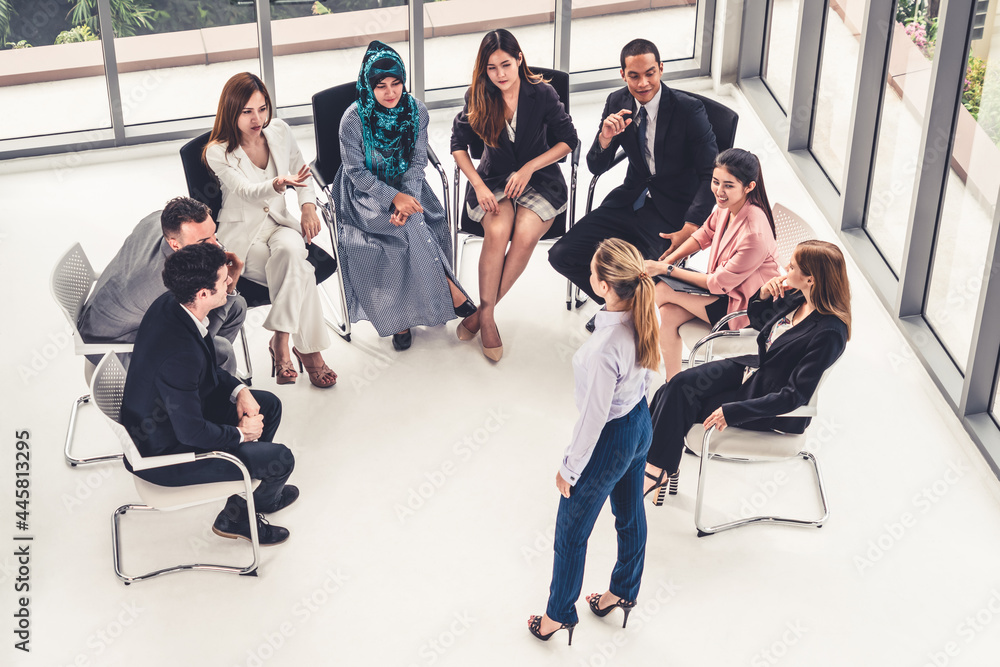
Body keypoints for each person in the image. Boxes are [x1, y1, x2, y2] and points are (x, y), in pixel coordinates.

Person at [642, 240, 851, 502]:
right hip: (752, 369)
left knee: (677, 398)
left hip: (769, 402)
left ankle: (653, 468)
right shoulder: (799, 297)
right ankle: (654, 464)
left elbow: (794, 396)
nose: (786, 267)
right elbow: (758, 322)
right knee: (674, 386)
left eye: (793, 266)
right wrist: (763, 293)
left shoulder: (830, 333)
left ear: (811, 279)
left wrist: (733, 412)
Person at [121, 243, 298, 545]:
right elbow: (191, 431)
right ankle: (237, 518)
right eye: (223, 279)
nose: (230, 281)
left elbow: (205, 370)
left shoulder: (172, 304)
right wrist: (240, 434)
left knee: (268, 405)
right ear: (203, 293)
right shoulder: (179, 355)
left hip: (175, 414)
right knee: (280, 459)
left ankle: (253, 495)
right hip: (169, 454)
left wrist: (240, 390)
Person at [528, 239, 658, 645]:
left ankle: (557, 616)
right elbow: (653, 372)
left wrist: (569, 467)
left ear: (603, 286)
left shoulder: (603, 348)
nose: (589, 275)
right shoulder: (645, 310)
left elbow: (593, 420)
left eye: (592, 272)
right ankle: (622, 592)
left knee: (571, 529)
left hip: (613, 437)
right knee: (630, 512)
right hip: (640, 421)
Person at [547, 38, 718, 319]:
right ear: (623, 74)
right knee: (561, 254)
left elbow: (710, 173)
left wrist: (691, 227)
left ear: (661, 69)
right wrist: (605, 138)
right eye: (634, 76)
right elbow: (595, 166)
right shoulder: (617, 101)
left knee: (643, 275)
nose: (643, 83)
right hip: (627, 201)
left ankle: (623, 313)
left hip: (671, 214)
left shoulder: (689, 110)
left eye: (650, 73)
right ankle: (622, 309)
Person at [333, 41, 475, 351]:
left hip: (408, 188)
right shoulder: (353, 120)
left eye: (396, 83)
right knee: (408, 230)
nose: (390, 92)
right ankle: (447, 297)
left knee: (414, 223)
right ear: (368, 86)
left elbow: (416, 164)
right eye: (381, 86)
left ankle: (407, 316)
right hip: (363, 196)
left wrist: (407, 199)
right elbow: (357, 174)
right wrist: (392, 198)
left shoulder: (416, 111)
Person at [451, 29, 578, 361]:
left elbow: (569, 140)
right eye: (491, 68)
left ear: (519, 59)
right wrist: (478, 184)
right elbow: (457, 145)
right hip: (493, 179)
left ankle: (481, 313)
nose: (500, 75)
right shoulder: (478, 95)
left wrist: (529, 168)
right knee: (496, 230)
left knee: (523, 234)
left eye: (506, 65)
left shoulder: (543, 93)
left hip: (540, 179)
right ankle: (490, 319)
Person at [204, 72, 336, 388]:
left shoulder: (279, 131)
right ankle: (311, 355)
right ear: (231, 111)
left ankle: (280, 340)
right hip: (244, 236)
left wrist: (307, 207)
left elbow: (302, 174)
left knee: (292, 251)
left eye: (262, 109)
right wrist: (277, 183)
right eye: (247, 111)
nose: (257, 119)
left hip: (280, 223)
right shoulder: (218, 151)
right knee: (301, 273)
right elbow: (246, 190)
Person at [643, 148, 780, 379]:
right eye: (716, 182)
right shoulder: (727, 208)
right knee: (668, 313)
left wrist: (666, 269)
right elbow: (705, 233)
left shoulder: (753, 235)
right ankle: (672, 382)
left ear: (749, 187)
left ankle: (638, 351)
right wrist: (670, 258)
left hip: (745, 308)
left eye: (729, 185)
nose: (719, 191)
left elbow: (717, 283)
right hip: (725, 290)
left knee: (662, 289)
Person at [77, 197, 246, 373]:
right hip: (113, 346)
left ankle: (207, 376)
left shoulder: (161, 220)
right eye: (203, 242)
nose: (216, 245)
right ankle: (209, 390)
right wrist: (229, 285)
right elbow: (194, 341)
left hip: (109, 314)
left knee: (237, 306)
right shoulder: (169, 283)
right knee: (221, 350)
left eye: (214, 234)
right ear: (175, 244)